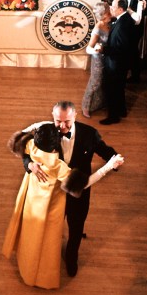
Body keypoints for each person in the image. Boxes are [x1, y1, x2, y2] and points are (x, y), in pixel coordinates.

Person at [3, 123, 123, 289]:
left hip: (32, 200)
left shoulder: (32, 146)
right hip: (51, 205)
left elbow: (21, 136)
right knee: (48, 242)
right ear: (54, 147)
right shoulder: (57, 165)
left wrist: (31, 164)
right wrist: (109, 167)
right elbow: (84, 184)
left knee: (32, 235)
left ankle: (27, 265)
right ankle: (43, 275)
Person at [21, 101, 118, 277]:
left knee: (76, 226)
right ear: (52, 116)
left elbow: (104, 151)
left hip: (79, 192)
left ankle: (71, 256)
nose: (63, 126)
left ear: (75, 116)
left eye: (67, 121)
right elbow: (26, 150)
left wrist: (114, 161)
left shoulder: (89, 134)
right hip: (53, 192)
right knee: (51, 225)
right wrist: (30, 165)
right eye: (58, 121)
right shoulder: (46, 132)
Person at [81, 1, 110, 118]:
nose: (110, 14)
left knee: (103, 83)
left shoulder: (108, 23)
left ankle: (98, 104)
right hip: (98, 60)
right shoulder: (98, 28)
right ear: (103, 15)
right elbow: (88, 49)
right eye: (108, 13)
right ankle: (86, 107)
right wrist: (96, 50)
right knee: (94, 83)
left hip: (106, 58)